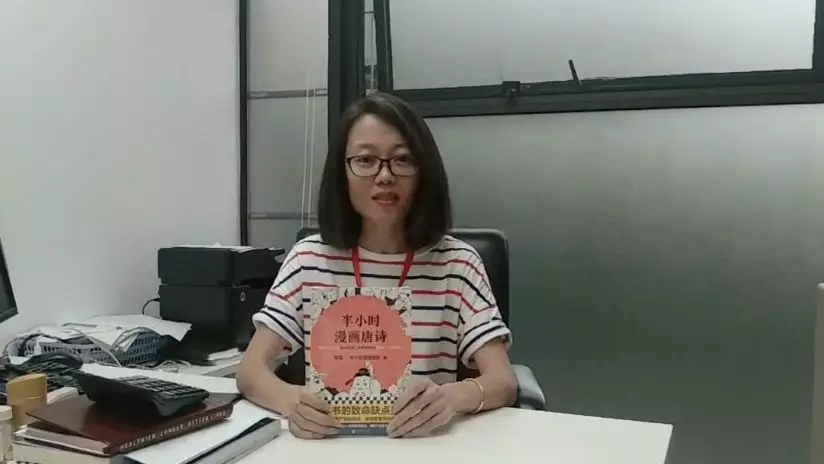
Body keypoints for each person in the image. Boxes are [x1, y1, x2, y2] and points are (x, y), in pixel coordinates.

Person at [236, 92, 517, 439]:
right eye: (366, 160)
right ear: (342, 172)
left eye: (402, 159)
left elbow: (503, 380)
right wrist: (294, 402)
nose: (384, 176)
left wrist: (450, 398)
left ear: (424, 171)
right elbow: (251, 370)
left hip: (424, 446)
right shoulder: (308, 259)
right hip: (330, 445)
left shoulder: (458, 263)